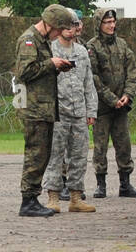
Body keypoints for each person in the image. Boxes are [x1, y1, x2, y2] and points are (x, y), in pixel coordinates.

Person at [14, 4, 76, 218]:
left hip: (44, 107)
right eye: (59, 29)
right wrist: (51, 63)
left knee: (42, 154)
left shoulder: (41, 41)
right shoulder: (29, 40)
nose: (60, 34)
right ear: (50, 25)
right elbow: (25, 71)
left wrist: (56, 66)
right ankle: (28, 200)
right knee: (36, 153)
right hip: (34, 108)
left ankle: (32, 198)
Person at [41, 13, 97, 213]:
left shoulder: (82, 52)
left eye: (73, 25)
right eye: (65, 25)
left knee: (79, 156)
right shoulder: (50, 50)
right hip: (58, 112)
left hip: (78, 112)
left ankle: (75, 197)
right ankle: (53, 197)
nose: (69, 29)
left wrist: (91, 110)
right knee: (55, 155)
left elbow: (88, 83)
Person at [87, 8, 136, 198]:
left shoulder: (122, 44)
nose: (111, 25)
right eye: (107, 22)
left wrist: (127, 94)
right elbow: (93, 77)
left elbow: (132, 71)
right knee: (100, 147)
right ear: (98, 24)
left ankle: (125, 184)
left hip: (122, 106)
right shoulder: (92, 47)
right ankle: (100, 184)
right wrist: (111, 99)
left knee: (124, 145)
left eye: (113, 21)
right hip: (102, 108)